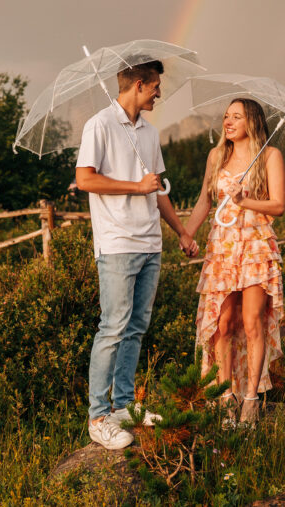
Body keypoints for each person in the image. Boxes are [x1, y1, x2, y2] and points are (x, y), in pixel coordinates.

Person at [76, 58, 199, 450]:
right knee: (112, 327)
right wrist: (135, 186)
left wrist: (180, 231)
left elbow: (158, 190)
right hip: (116, 243)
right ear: (140, 84)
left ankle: (125, 406)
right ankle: (98, 416)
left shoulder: (149, 132)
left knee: (135, 328)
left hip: (150, 244)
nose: (160, 93)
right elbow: (85, 179)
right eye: (156, 86)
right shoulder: (99, 124)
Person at [183, 98, 285, 425]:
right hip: (222, 247)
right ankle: (226, 397)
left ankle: (251, 399)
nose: (228, 122)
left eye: (236, 117)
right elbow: (204, 200)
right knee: (223, 325)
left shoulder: (270, 155)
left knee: (253, 322)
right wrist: (187, 233)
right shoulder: (217, 156)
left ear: (252, 121)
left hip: (255, 244)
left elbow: (278, 205)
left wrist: (246, 200)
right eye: (226, 116)